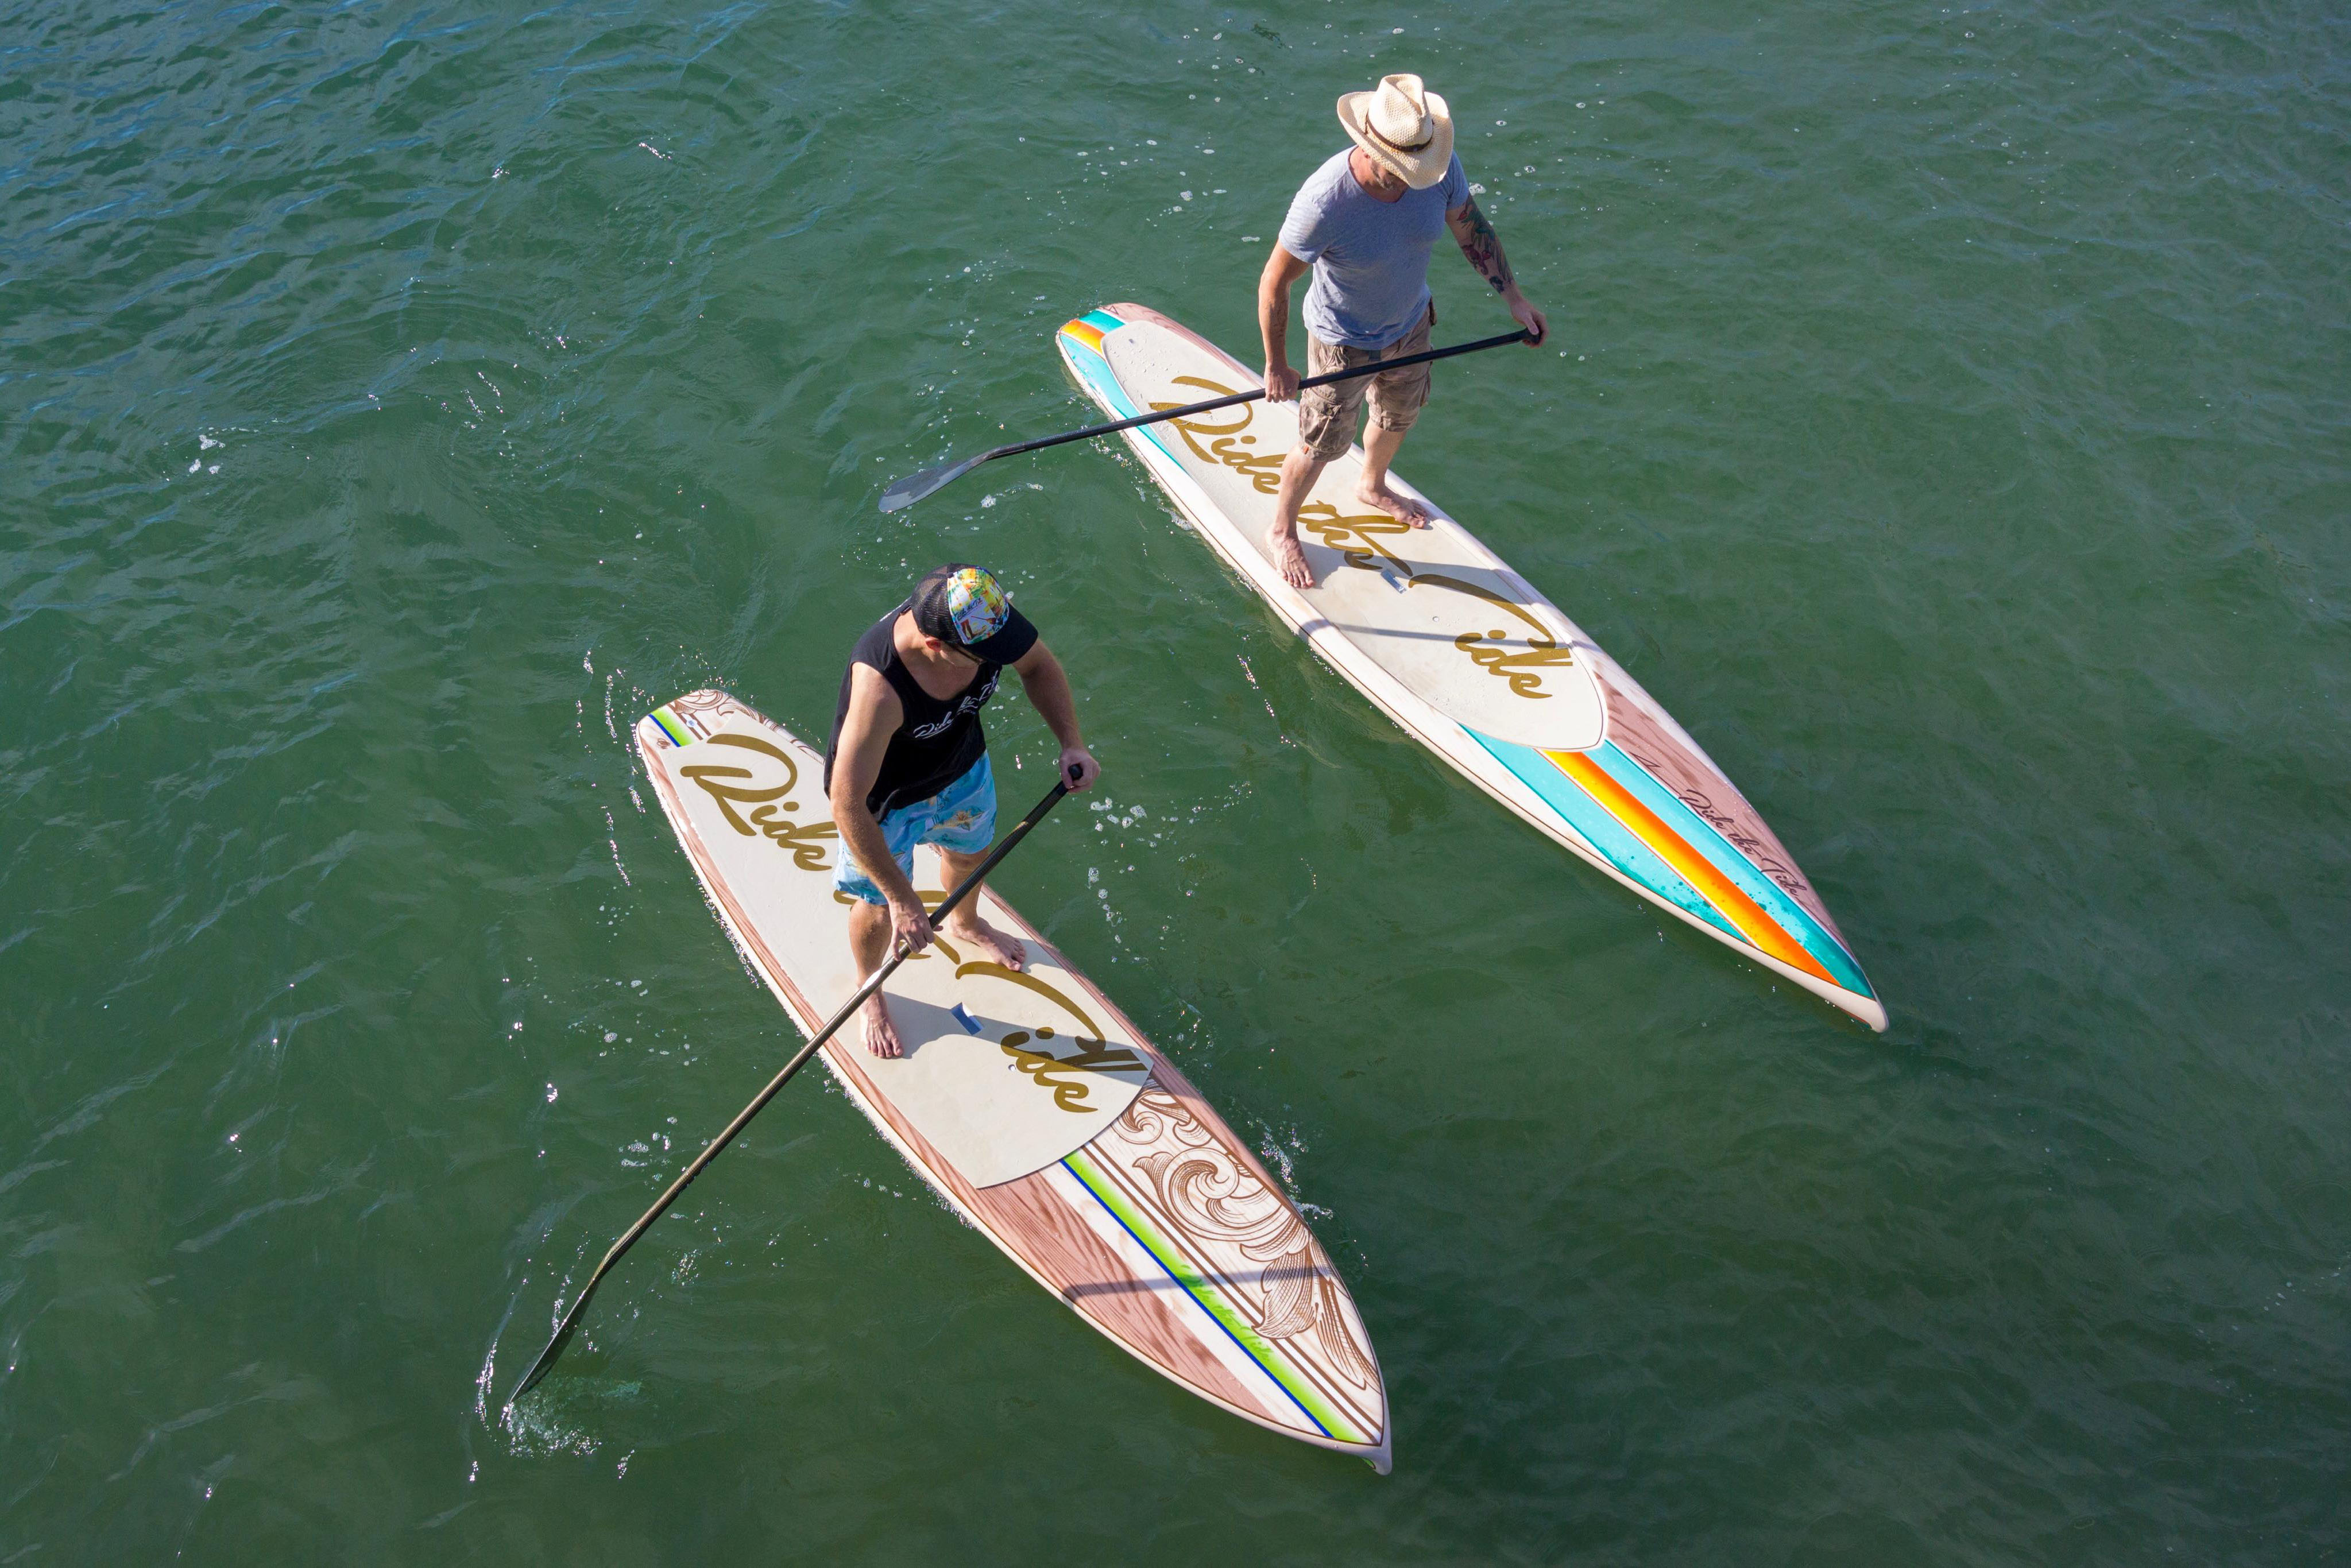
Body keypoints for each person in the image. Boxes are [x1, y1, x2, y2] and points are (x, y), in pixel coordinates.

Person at [1257, 72, 1549, 589]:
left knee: (1399, 416)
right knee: (1322, 441)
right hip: (1341, 341)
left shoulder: (1437, 171)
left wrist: (1515, 298)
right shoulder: (1326, 201)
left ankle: (1371, 484)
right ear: (1367, 147)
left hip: (1411, 324)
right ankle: (1282, 529)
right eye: (1400, 169)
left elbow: (1472, 231)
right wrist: (1276, 363)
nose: (1412, 179)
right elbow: (1274, 281)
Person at [824, 564, 1099, 1058]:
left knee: (972, 855)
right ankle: (870, 989)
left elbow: (1039, 666)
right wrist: (903, 895)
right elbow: (846, 803)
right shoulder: (881, 686)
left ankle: (965, 923)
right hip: (883, 803)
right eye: (985, 657)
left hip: (961, 770)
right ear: (935, 646)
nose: (1001, 659)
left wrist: (1071, 743)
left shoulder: (979, 612)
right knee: (880, 906)